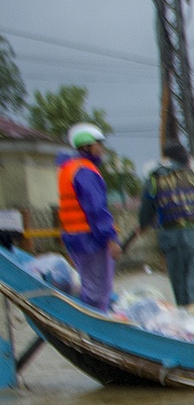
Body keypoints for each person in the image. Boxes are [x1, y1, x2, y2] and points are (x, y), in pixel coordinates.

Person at [137, 142, 194, 306]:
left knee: (180, 289)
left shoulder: (154, 178)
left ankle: (185, 323)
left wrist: (143, 225)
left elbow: (146, 210)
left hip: (172, 239)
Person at [56, 124, 119, 312]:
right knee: (98, 292)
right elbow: (96, 209)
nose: (101, 148)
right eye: (97, 144)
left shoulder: (68, 168)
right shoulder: (86, 171)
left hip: (74, 237)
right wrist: (110, 238)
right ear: (86, 147)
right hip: (90, 239)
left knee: (89, 286)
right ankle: (97, 335)